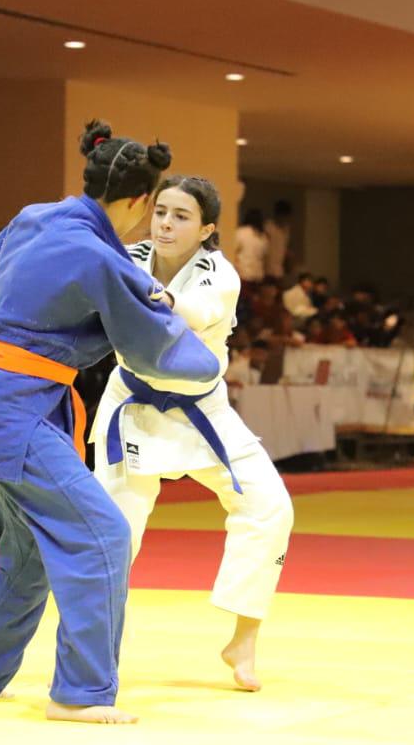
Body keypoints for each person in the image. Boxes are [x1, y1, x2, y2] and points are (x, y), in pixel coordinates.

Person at [0, 121, 220, 725]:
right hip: (16, 409)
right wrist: (207, 361)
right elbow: (151, 344)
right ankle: (81, 691)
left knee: (32, 543)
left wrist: (16, 316)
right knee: (102, 536)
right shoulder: (97, 255)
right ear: (139, 200)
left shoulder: (36, 218)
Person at [91, 175, 293, 692]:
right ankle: (93, 655)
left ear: (206, 230)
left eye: (180, 216)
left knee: (269, 506)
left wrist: (118, 286)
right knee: (113, 535)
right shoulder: (126, 258)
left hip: (202, 408)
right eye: (160, 211)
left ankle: (243, 639)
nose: (164, 223)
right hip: (131, 407)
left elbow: (182, 315)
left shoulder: (219, 275)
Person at [233, 209, 267, 286]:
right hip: (258, 276)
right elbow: (264, 256)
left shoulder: (241, 232)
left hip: (243, 275)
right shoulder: (263, 237)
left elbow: (232, 252)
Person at [263, 199, 292, 282]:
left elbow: (285, 247)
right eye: (283, 216)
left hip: (279, 270)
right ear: (277, 214)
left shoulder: (286, 229)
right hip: (267, 270)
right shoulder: (268, 226)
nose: (285, 219)